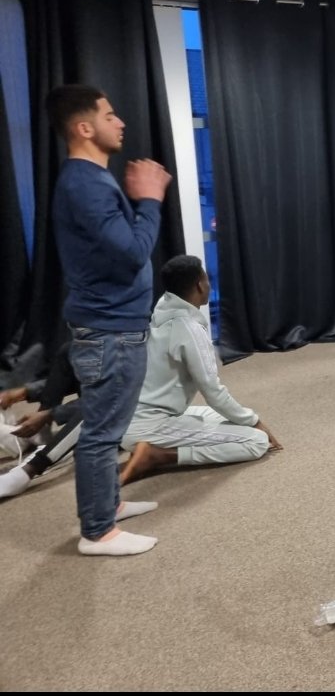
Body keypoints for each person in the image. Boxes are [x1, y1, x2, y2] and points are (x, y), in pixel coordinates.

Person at [47, 84, 171, 556]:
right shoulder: (85, 184)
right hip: (108, 331)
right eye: (110, 115)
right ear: (84, 128)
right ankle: (97, 531)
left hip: (113, 326)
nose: (120, 122)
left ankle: (108, 505)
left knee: (109, 428)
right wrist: (150, 199)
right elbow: (132, 254)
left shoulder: (90, 181)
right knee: (101, 434)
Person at [118, 255, 281, 485]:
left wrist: (244, 418)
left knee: (228, 420)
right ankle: (160, 456)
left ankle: (154, 447)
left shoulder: (163, 307)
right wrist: (255, 422)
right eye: (207, 279)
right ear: (200, 285)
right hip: (149, 425)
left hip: (142, 416)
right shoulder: (188, 328)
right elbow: (213, 391)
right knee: (256, 441)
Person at [0, 337, 84, 499]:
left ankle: (28, 471)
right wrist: (26, 392)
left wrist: (51, 413)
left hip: (134, 417)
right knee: (70, 349)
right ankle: (40, 432)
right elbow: (88, 377)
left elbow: (110, 396)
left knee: (98, 405)